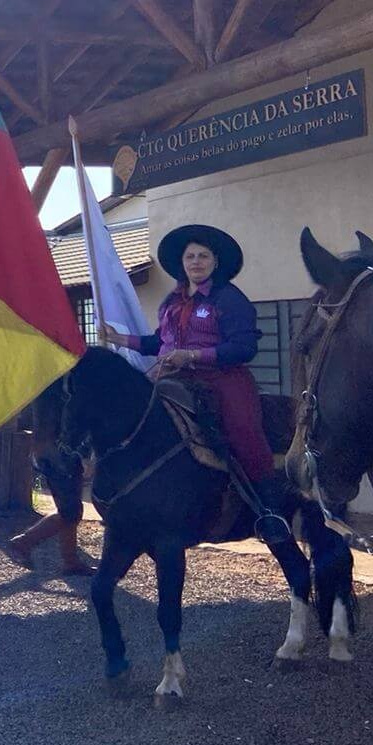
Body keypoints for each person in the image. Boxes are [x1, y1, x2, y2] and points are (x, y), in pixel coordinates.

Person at [101, 224, 291, 542]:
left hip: (222, 377)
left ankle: (269, 508)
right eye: (190, 256)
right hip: (171, 376)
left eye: (203, 256)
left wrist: (191, 355)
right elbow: (157, 342)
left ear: (215, 262)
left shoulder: (230, 299)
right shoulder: (171, 302)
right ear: (182, 262)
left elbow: (244, 348)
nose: (196, 262)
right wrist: (118, 338)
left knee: (243, 428)